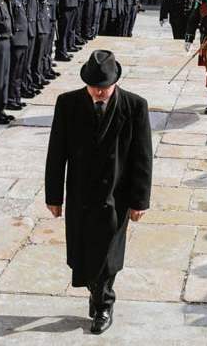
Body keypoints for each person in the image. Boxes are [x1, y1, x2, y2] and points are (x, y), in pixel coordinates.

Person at [45, 50, 153, 335]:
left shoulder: (135, 106)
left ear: (115, 82)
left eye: (104, 87)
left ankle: (104, 303)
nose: (100, 92)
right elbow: (56, 153)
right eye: (95, 88)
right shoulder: (67, 104)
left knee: (108, 254)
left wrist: (140, 200)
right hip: (81, 193)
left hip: (117, 195)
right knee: (81, 252)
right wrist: (53, 196)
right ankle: (96, 293)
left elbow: (143, 157)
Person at [7, 0, 30, 111]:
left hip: (22, 39)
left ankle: (16, 97)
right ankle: (11, 98)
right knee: (14, 72)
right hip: (16, 40)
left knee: (19, 72)